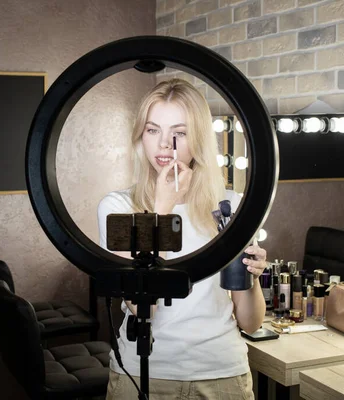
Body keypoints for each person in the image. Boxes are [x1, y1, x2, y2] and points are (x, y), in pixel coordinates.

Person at [97, 78, 267, 399]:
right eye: (152, 130)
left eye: (179, 132)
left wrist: (253, 278)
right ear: (140, 137)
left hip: (222, 373)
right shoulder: (117, 207)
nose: (164, 144)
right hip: (144, 373)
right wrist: (162, 210)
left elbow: (251, 322)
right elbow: (141, 309)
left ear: (198, 139)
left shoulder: (229, 206)